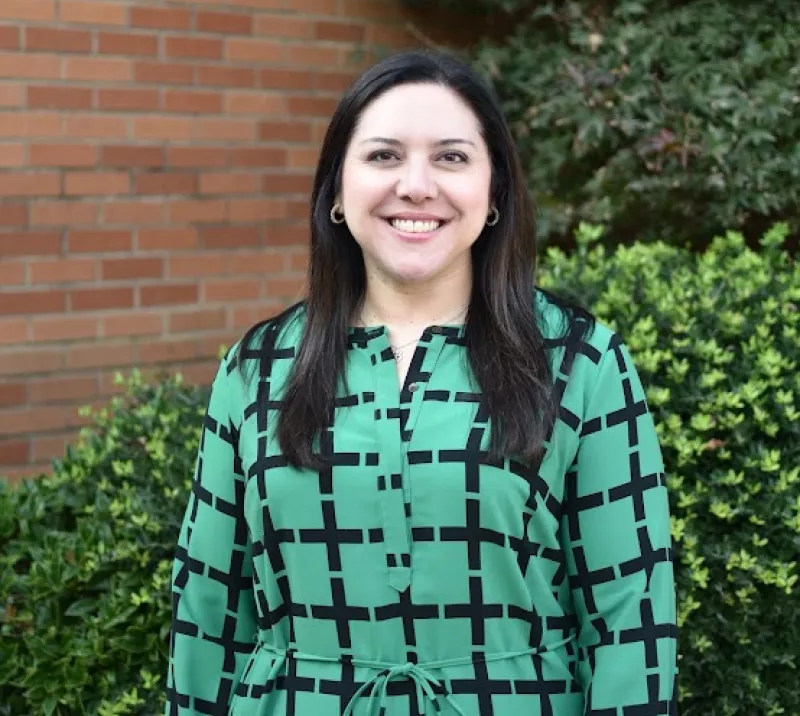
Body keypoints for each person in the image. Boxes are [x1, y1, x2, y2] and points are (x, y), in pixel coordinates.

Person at [165, 50, 678, 716]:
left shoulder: (581, 362)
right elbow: (208, 608)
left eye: (451, 157)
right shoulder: (256, 369)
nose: (415, 185)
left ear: (494, 192)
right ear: (336, 194)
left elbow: (629, 615)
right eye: (382, 156)